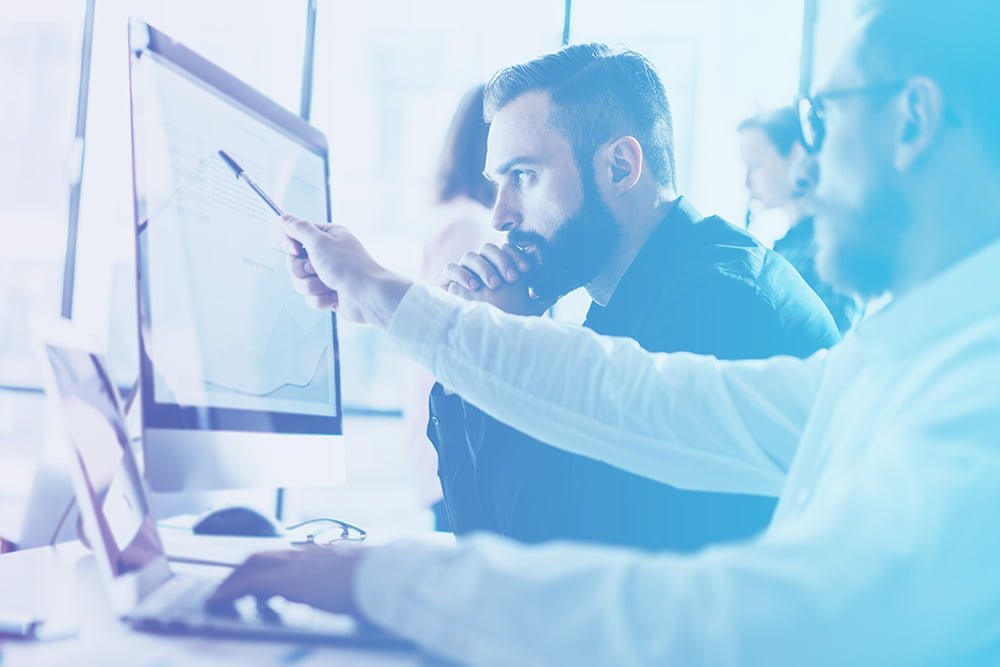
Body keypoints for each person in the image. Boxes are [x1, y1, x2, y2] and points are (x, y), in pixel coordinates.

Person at [210, 0, 1000, 664]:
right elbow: (636, 398)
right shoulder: (892, 358)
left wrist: (380, 579)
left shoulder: (959, 390)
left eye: (822, 120)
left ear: (914, 119)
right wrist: (388, 300)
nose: (802, 172)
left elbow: (718, 614)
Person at [424, 45, 837, 552]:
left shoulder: (719, 305)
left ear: (620, 167)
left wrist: (508, 346)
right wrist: (469, 363)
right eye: (498, 183)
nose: (500, 216)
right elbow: (484, 546)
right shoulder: (628, 297)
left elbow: (560, 558)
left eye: (524, 177)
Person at [402, 84, 502, 528]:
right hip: (459, 449)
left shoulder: (458, 217)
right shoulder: (471, 225)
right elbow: (452, 342)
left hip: (445, 447)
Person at [739, 106, 860, 332]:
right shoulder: (790, 246)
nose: (747, 182)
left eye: (755, 165)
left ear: (797, 154)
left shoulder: (829, 249)